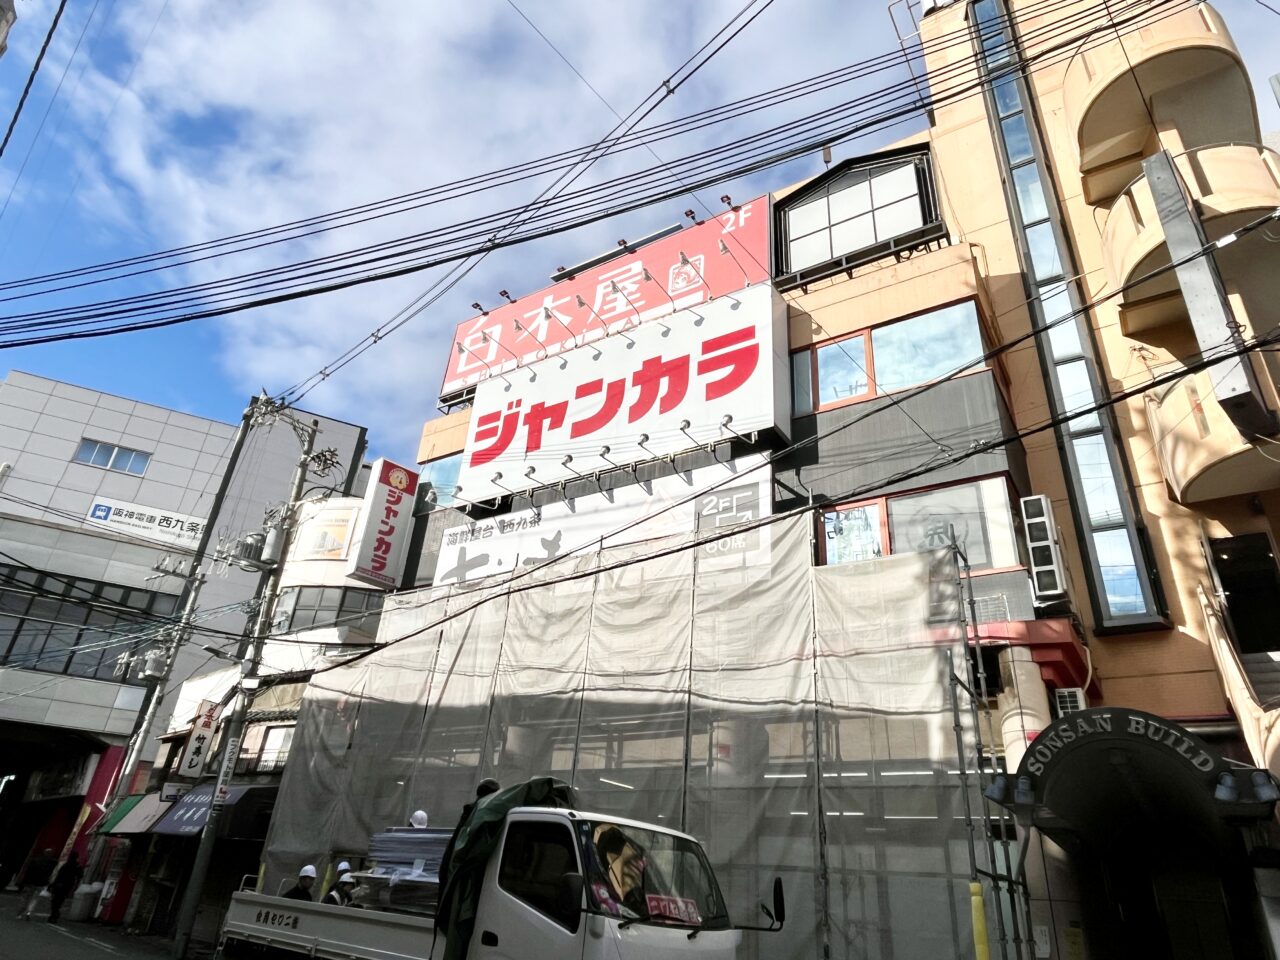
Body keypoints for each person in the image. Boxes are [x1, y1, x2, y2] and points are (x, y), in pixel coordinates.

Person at [16, 848, 57, 920]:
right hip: (41, 883)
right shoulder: (52, 863)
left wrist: (24, 882)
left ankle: (20, 913)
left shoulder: (35, 860)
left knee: (26, 897)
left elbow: (28, 872)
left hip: (31, 882)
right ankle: (29, 912)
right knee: (35, 898)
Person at [46, 851, 82, 924]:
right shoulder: (77, 866)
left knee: (55, 901)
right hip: (68, 885)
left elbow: (59, 875)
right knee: (60, 900)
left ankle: (54, 914)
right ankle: (55, 914)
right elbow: (80, 875)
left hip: (59, 884)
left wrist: (51, 885)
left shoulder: (65, 865)